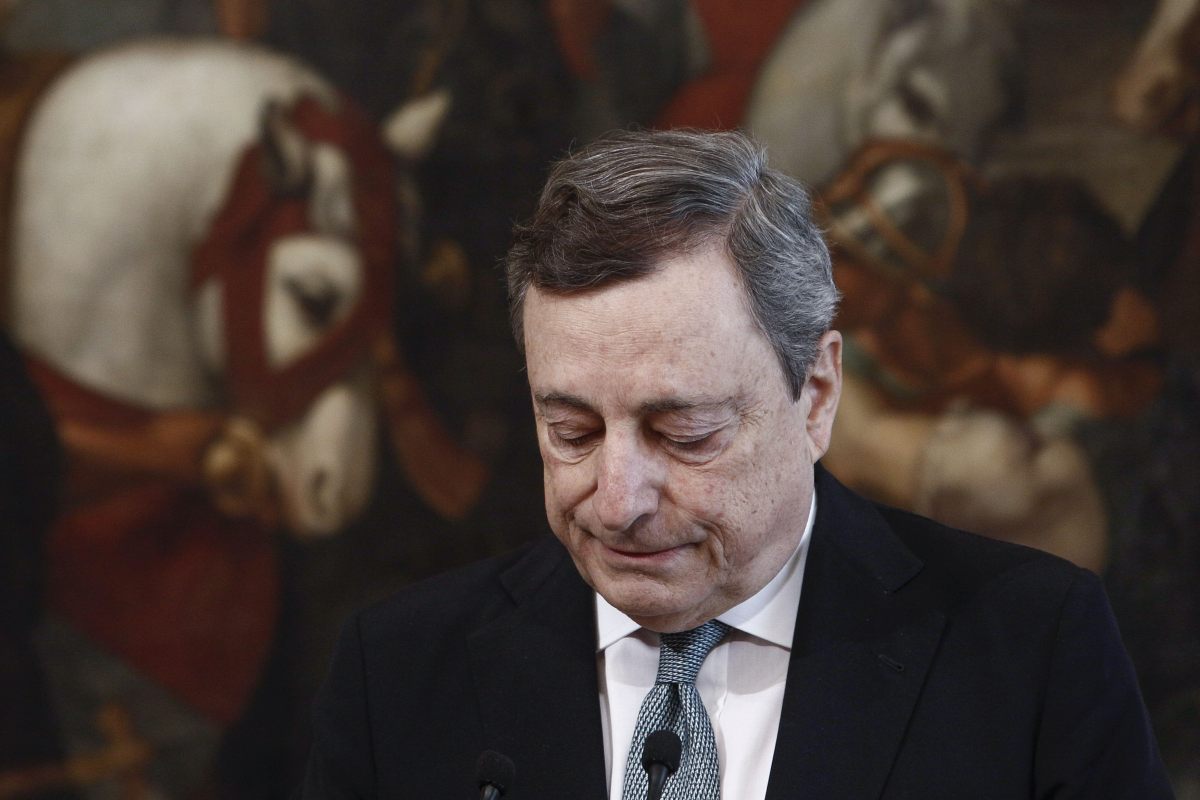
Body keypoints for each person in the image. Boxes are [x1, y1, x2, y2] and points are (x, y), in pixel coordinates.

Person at [299, 129, 1171, 798]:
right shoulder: (398, 670)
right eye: (572, 431)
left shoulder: (1031, 650)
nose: (617, 502)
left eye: (684, 433)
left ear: (816, 394)